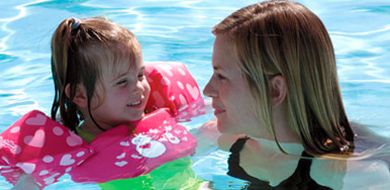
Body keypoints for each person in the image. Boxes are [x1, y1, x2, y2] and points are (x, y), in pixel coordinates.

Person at [203, 0, 390, 189]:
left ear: (274, 90)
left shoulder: (355, 176)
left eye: (221, 76)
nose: (207, 90)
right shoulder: (224, 138)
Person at [6, 17, 207, 189]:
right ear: (79, 95)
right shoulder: (73, 148)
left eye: (139, 75)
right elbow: (31, 183)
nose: (138, 87)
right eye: (122, 82)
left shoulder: (158, 112)